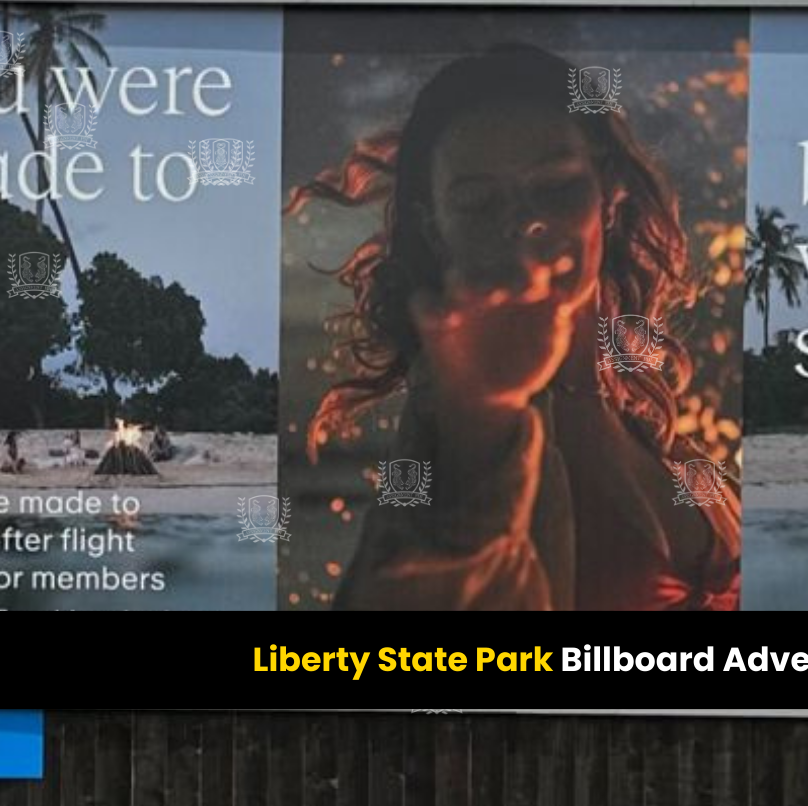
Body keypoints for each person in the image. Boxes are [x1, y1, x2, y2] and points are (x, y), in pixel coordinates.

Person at [291, 43, 740, 611]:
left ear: (607, 195)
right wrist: (481, 414)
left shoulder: (652, 420)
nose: (527, 220)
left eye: (556, 187)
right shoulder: (457, 425)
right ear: (436, 230)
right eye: (479, 202)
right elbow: (390, 601)